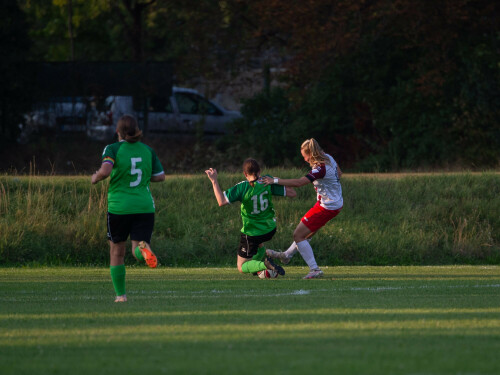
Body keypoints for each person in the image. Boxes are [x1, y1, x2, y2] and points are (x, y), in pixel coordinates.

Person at [91, 114, 165, 302]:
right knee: (137, 248)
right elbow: (160, 176)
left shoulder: (113, 148)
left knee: (117, 251)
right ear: (136, 130)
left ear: (118, 131)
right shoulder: (148, 150)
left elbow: (106, 170)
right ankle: (144, 250)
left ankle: (121, 296)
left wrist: (95, 177)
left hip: (119, 208)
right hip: (144, 206)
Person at [262, 138, 343, 279]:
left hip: (327, 206)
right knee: (306, 235)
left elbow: (299, 183)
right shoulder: (328, 157)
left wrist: (275, 180)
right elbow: (340, 174)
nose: (305, 160)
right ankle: (286, 255)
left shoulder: (320, 168)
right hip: (334, 203)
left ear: (311, 154)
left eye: (305, 156)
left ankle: (314, 269)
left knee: (298, 235)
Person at [205, 159, 296, 276]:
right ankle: (257, 269)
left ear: (245, 174)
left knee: (241, 267)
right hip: (270, 229)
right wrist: (275, 180)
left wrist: (214, 181)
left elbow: (221, 201)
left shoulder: (243, 187)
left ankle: (265, 265)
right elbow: (292, 193)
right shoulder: (266, 181)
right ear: (259, 171)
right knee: (259, 245)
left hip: (252, 233)